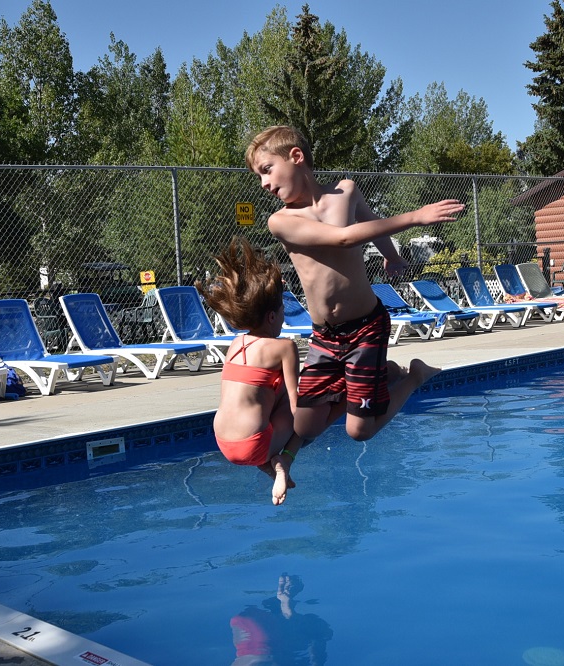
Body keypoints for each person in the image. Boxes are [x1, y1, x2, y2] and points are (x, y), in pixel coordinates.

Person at [245, 125, 464, 443]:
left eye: (267, 170)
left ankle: (414, 375)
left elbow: (369, 219)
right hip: (325, 335)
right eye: (259, 177)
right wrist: (414, 216)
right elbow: (343, 238)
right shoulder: (280, 221)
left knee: (359, 431)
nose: (264, 183)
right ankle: (380, 374)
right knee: (304, 428)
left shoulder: (346, 191)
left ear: (296, 156)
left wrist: (391, 256)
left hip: (366, 328)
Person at [198, 238, 318, 505]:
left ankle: (268, 464)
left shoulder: (235, 344)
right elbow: (297, 405)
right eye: (283, 311)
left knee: (263, 393)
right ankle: (283, 463)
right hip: (254, 443)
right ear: (272, 317)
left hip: (223, 442)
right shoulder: (284, 347)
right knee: (308, 404)